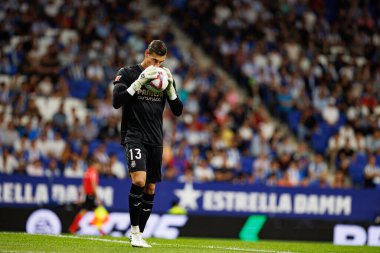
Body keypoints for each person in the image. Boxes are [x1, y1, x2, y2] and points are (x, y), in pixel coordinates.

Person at [112, 40, 183, 248]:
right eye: (154, 60)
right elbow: (117, 102)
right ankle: (133, 232)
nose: (157, 65)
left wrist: (171, 91)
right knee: (140, 181)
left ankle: (140, 234)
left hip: (155, 139)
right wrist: (138, 83)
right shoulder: (128, 73)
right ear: (146, 54)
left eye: (161, 62)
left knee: (151, 188)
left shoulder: (164, 77)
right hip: (134, 135)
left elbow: (177, 110)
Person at [69, 159, 101, 234]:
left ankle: (73, 228)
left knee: (88, 212)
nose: (99, 167)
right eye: (98, 165)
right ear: (94, 164)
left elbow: (83, 185)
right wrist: (97, 197)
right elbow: (93, 185)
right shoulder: (93, 172)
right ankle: (101, 231)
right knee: (97, 212)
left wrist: (81, 197)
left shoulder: (87, 172)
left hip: (87, 195)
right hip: (91, 196)